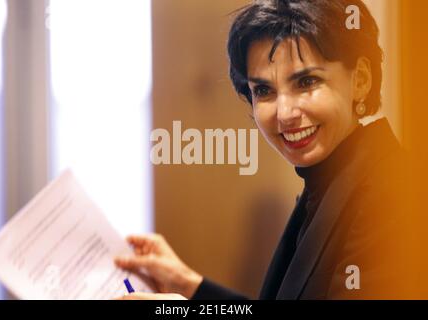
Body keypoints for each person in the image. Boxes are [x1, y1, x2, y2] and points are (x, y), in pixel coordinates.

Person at [115, 0, 414, 299]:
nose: (284, 113)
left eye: (306, 81)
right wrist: (188, 286)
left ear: (360, 80)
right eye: (264, 91)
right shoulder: (329, 182)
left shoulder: (390, 197)